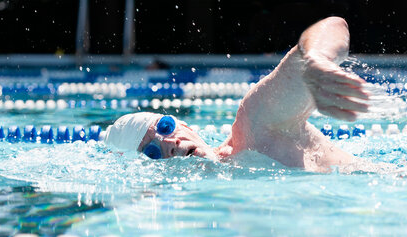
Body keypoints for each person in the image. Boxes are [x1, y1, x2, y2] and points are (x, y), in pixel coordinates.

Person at [104, 17, 370, 172]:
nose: (169, 143)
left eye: (165, 127)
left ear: (183, 123)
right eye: (152, 152)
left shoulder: (255, 123)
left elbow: (334, 26)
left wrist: (317, 60)